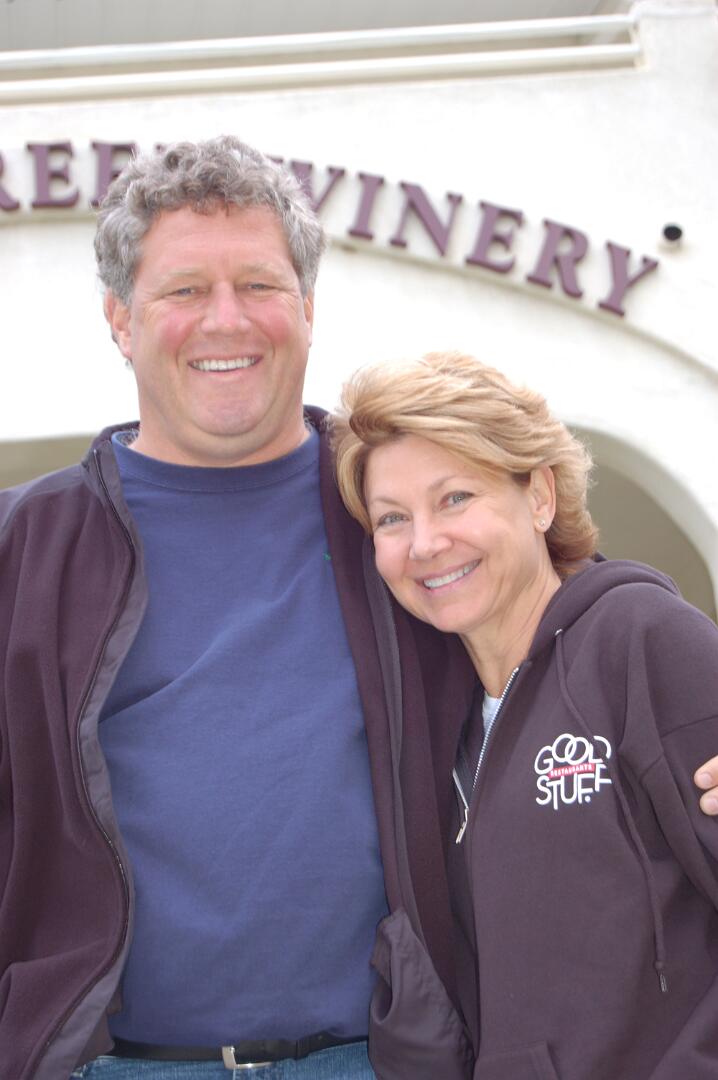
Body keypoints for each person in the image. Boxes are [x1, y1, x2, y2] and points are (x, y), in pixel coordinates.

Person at [0, 139, 476, 1080]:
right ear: (121, 320)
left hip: (379, 1058)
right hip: (113, 1067)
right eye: (184, 291)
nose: (226, 319)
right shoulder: (26, 548)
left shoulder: (401, 509)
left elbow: (573, 623)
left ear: (307, 308)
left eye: (259, 285)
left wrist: (685, 724)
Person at [332, 351, 718, 1079]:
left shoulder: (643, 640)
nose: (425, 543)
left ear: (539, 496)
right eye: (392, 518)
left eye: (455, 498)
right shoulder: (444, 725)